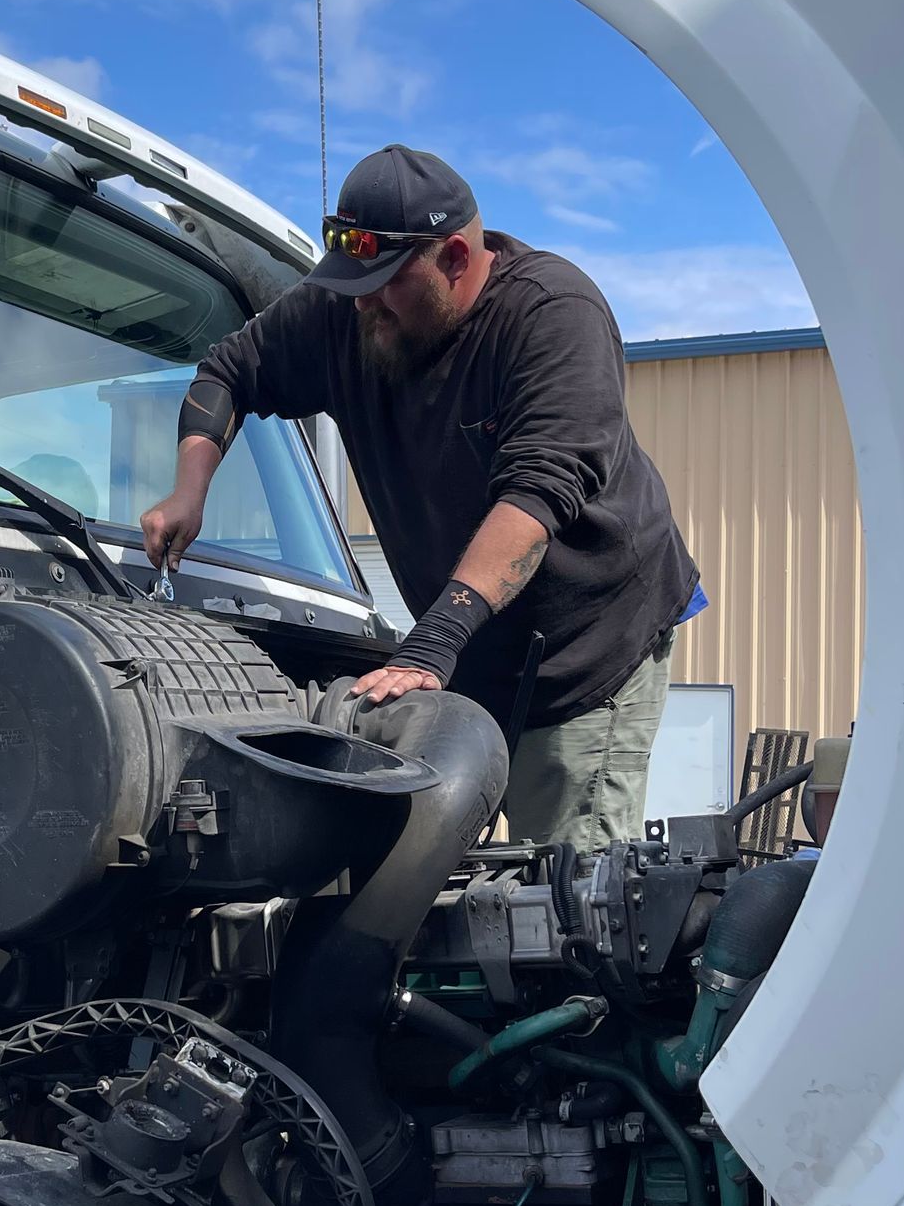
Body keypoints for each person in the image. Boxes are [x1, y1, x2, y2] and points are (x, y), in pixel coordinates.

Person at [140, 144, 699, 850]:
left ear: (456, 258)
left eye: (385, 283)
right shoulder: (347, 311)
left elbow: (538, 493)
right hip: (472, 657)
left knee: (563, 888)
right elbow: (228, 370)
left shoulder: (552, 314)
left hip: (583, 655)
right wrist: (189, 490)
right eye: (352, 282)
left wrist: (432, 642)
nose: (362, 302)